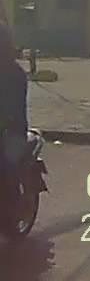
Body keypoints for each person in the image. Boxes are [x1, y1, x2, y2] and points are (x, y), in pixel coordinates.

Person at [0, 22, 27, 208]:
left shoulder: (15, 74)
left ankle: (12, 207)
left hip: (13, 132)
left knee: (5, 167)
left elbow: (11, 109)